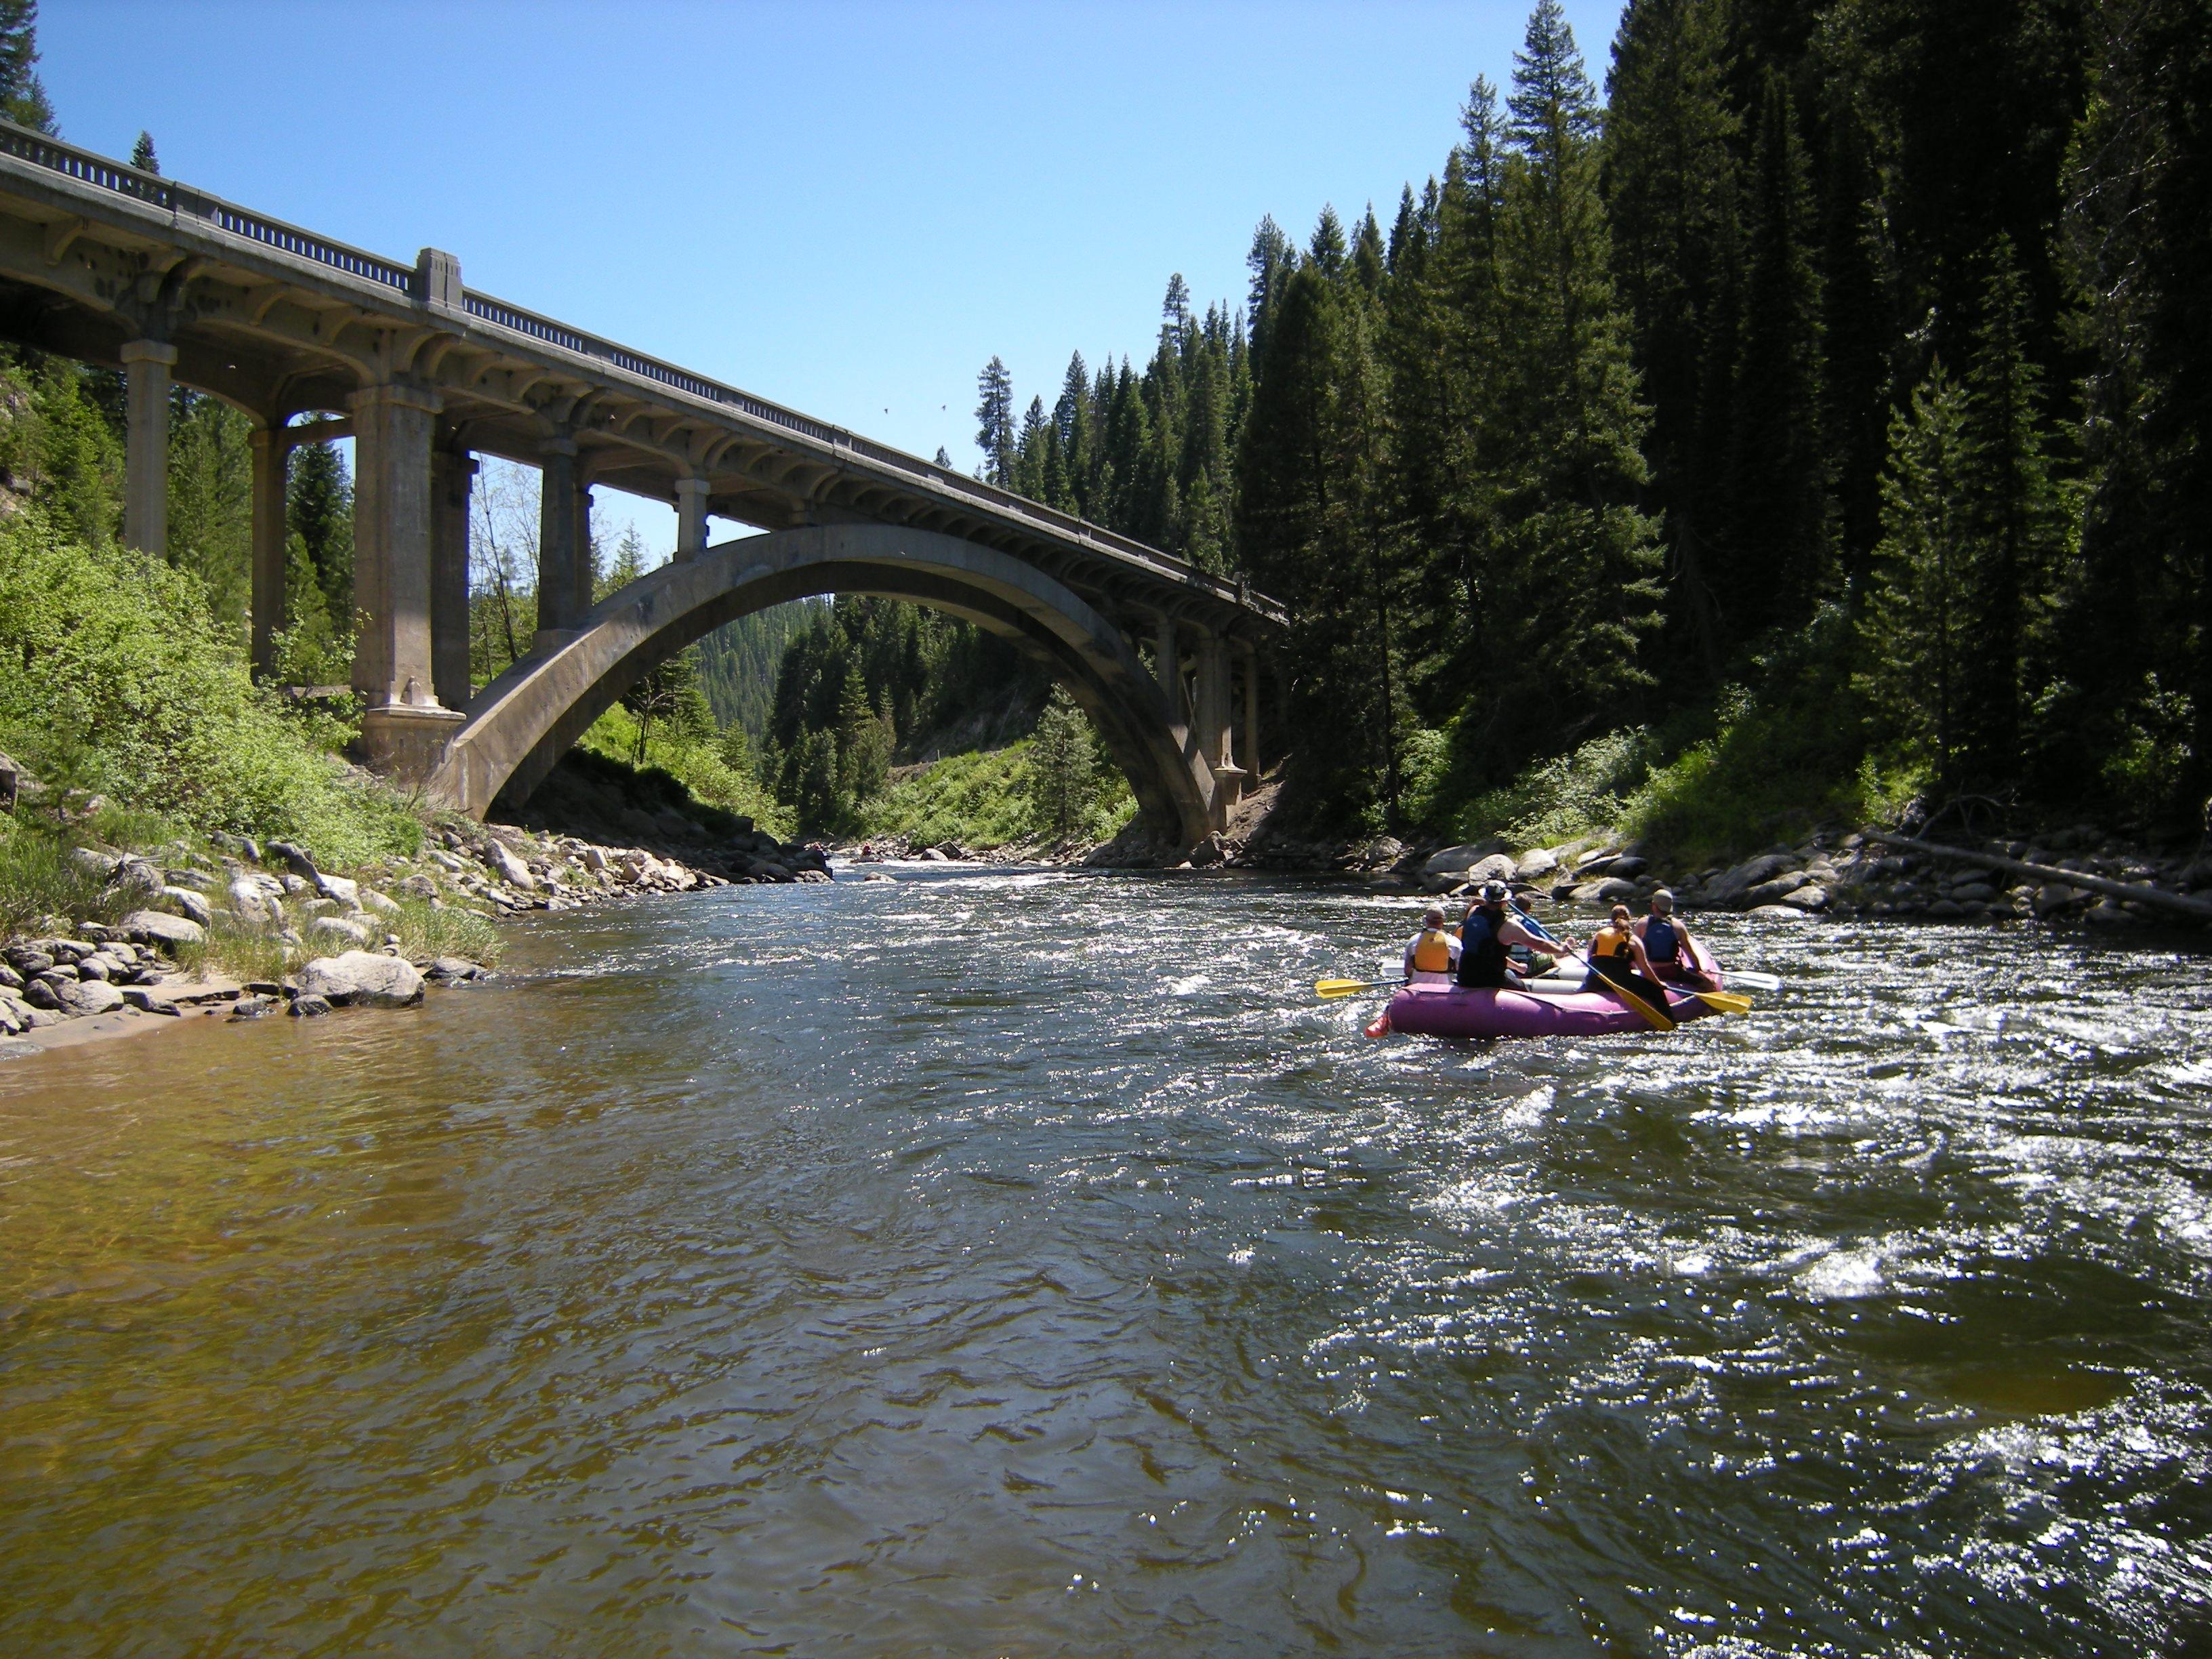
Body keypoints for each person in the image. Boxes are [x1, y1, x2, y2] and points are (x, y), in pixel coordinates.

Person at [1455, 881, 1560, 989]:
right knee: (1523, 989)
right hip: (1491, 980)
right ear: (1505, 901)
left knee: (1510, 974)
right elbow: (1538, 944)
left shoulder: (1473, 912)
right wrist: (1561, 949)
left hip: (1465, 976)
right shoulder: (1508, 925)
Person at [1585, 902, 1673, 1010]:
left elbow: (1591, 959)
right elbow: (1644, 969)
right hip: (1619, 983)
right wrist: (1659, 984)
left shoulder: (1597, 936)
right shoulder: (1633, 939)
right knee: (1656, 991)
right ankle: (1670, 1022)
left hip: (1593, 982)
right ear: (1629, 920)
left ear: (1611, 920)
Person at [1633, 889, 1715, 989]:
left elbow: (1633, 951)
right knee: (1710, 984)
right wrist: (1699, 971)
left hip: (1650, 971)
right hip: (1672, 971)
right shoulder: (1679, 926)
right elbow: (1690, 955)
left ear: (1654, 906)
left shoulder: (1641, 924)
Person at [1508, 890, 1559, 978]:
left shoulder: (1507, 921)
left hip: (1510, 965)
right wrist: (1560, 946)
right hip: (1526, 967)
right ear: (1529, 908)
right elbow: (1546, 942)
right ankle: (1557, 976)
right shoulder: (1529, 922)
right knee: (1550, 956)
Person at [1403, 905, 1460, 983]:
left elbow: (1407, 971)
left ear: (1426, 920)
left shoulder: (1413, 941)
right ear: (1443, 921)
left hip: (1418, 987)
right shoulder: (1454, 943)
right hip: (1443, 987)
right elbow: (1459, 969)